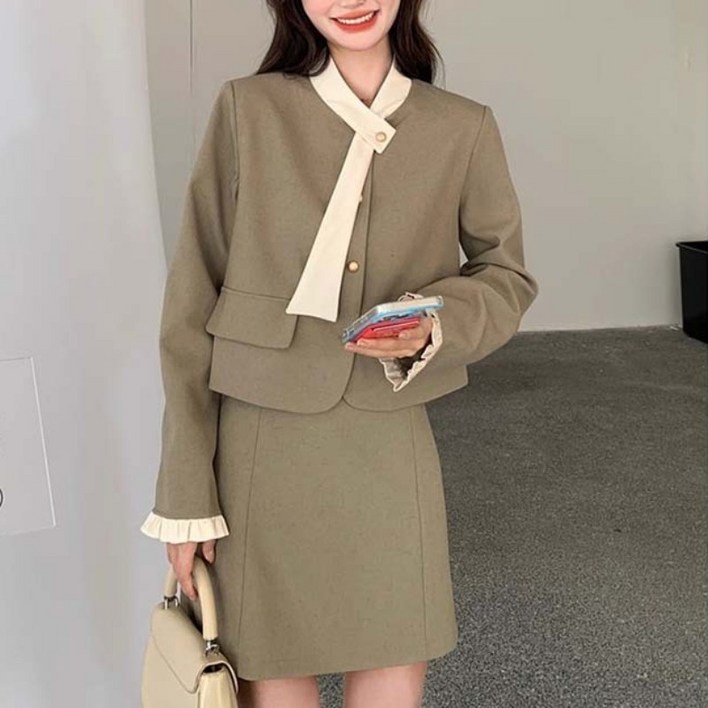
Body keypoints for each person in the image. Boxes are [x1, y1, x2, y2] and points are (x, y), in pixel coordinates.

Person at [140, 1, 539, 706]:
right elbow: (190, 306)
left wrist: (435, 325)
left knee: (395, 655)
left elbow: (505, 276)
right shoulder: (247, 110)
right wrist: (185, 496)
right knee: (269, 674)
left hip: (389, 441)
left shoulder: (462, 126)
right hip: (260, 449)